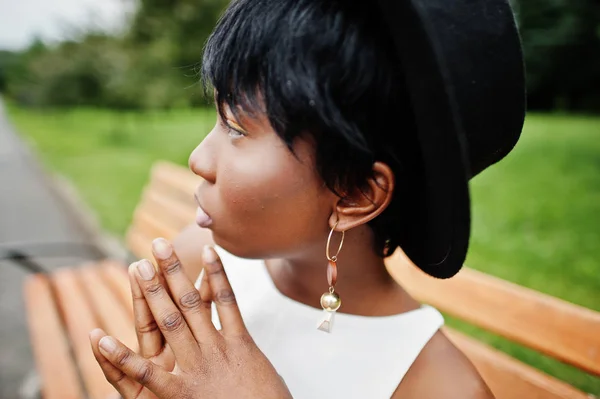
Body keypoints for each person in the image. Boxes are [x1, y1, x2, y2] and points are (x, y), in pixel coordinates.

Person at [89, 0, 526, 397]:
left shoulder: (439, 388)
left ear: (354, 195)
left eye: (237, 128)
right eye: (217, 117)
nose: (198, 159)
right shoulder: (196, 263)